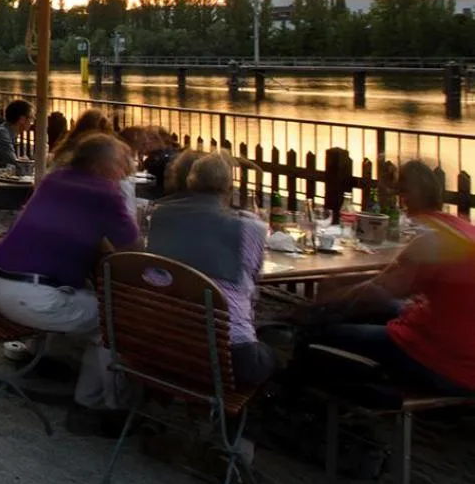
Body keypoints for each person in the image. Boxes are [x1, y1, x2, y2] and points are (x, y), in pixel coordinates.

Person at [0, 134, 140, 422]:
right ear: (100, 164)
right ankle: (101, 405)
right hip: (28, 297)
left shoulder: (55, 178)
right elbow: (134, 250)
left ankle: (49, 359)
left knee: (82, 295)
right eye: (120, 163)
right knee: (114, 321)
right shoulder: (105, 192)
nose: (124, 169)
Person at [295, 161, 475, 396]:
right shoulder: (460, 228)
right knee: (385, 309)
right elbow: (394, 282)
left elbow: (376, 291)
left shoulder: (431, 240)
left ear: (406, 198)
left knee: (317, 330)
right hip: (452, 338)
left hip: (449, 364)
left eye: (400, 193)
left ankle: (310, 401)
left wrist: (324, 304)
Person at [145, 153, 277, 389]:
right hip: (226, 358)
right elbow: (253, 280)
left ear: (190, 182)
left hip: (165, 346)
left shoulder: (159, 216)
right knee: (281, 342)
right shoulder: (250, 227)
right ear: (228, 188)